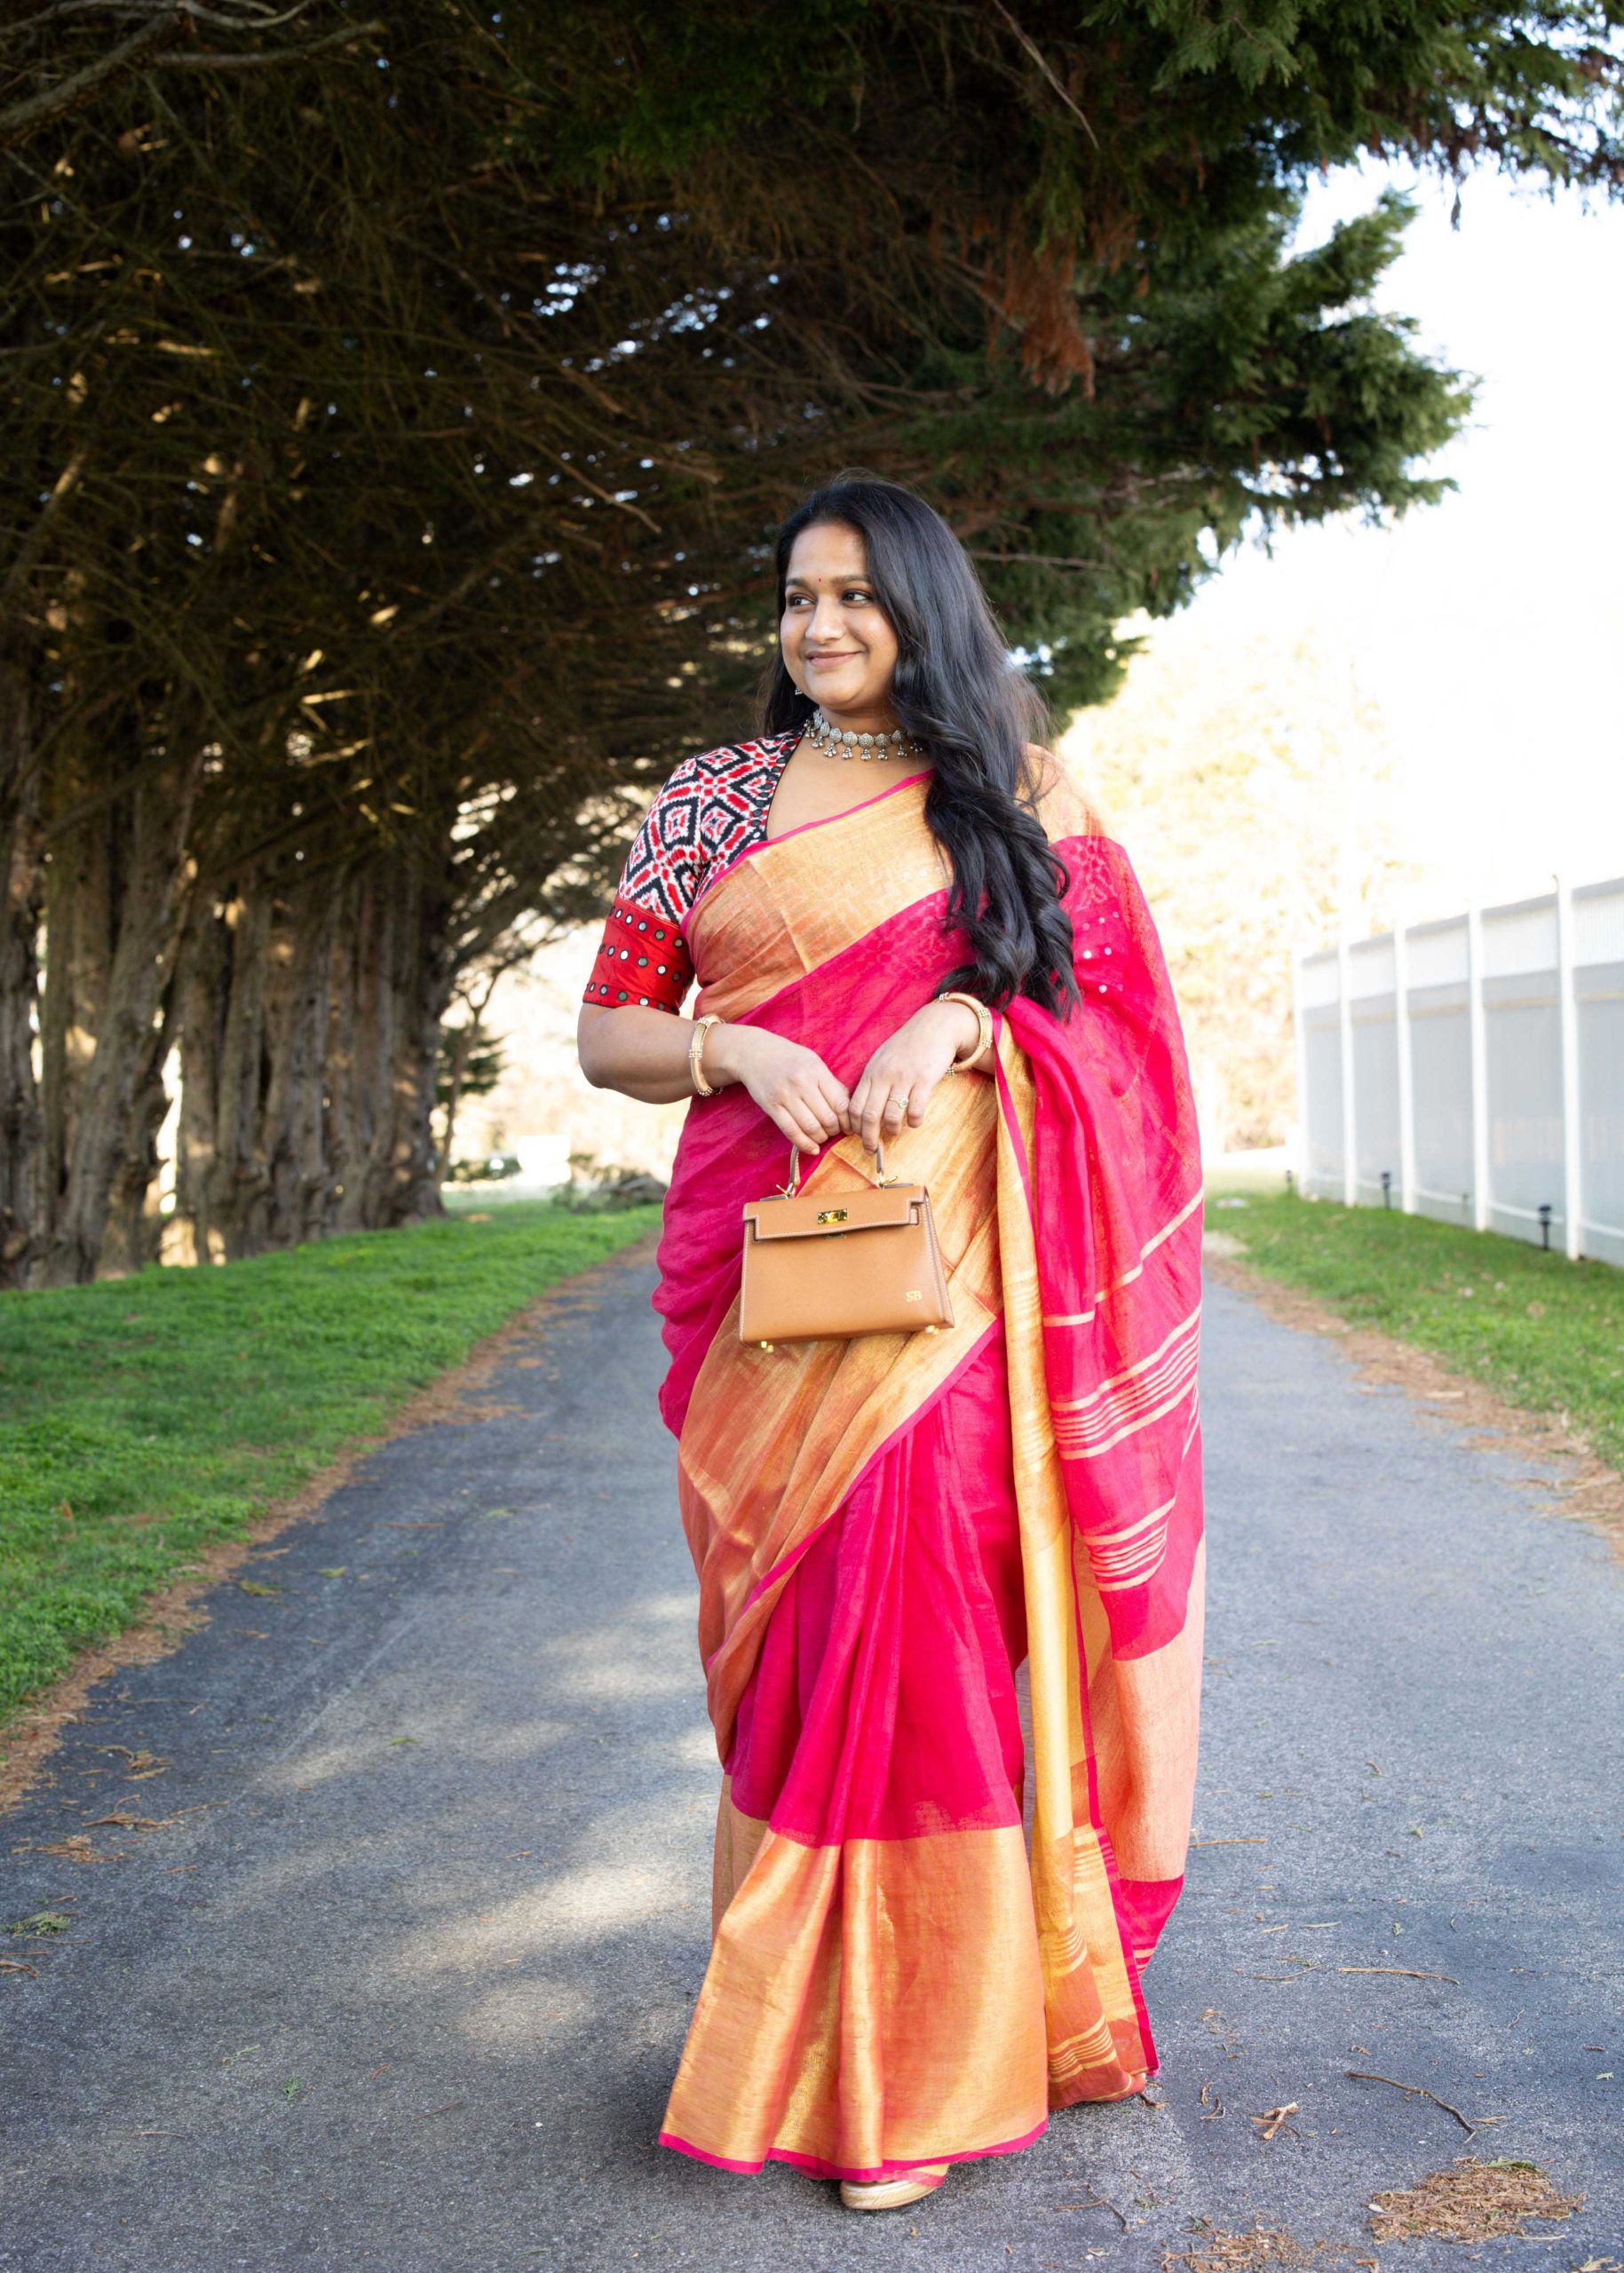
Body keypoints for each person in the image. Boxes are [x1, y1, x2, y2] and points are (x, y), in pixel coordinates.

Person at [575, 473, 1205, 2213]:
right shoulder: (709, 798)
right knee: (786, 1653)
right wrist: (734, 1055)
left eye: (855, 593)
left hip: (956, 1308)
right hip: (762, 1299)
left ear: (921, 603)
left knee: (914, 1626)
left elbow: (1115, 1015)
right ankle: (792, 2025)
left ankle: (918, 2061)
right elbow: (609, 1026)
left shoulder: (1016, 790)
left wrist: (962, 1012)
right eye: (796, 597)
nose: (822, 625)